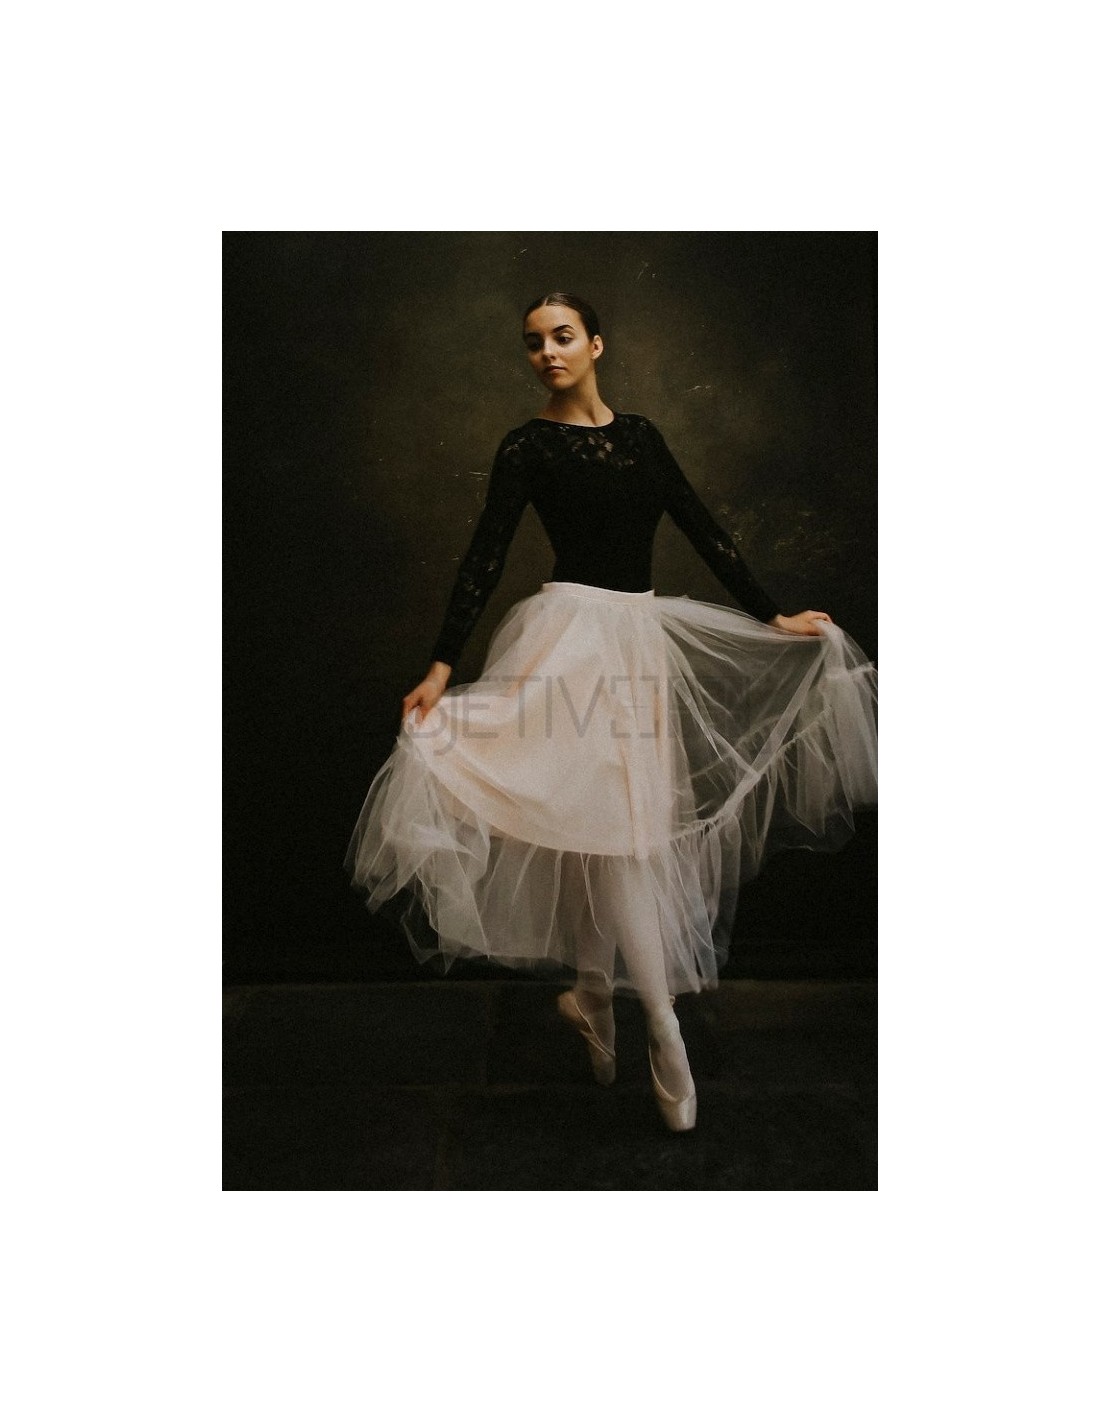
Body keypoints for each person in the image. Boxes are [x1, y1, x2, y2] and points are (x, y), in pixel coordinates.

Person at [344, 291, 877, 1133]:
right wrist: (443, 664)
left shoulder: (642, 438)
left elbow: (703, 528)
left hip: (637, 645)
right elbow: (485, 556)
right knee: (616, 830)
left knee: (617, 825)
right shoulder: (527, 447)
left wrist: (772, 614)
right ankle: (661, 1025)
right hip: (567, 647)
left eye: (562, 337)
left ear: (596, 344)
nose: (547, 354)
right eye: (533, 343)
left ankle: (594, 995)